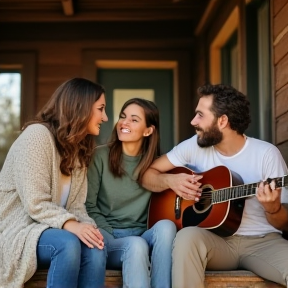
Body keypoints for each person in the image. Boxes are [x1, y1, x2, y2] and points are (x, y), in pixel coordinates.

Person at [141, 84, 288, 288]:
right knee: (186, 237)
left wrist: (274, 209)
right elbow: (147, 175)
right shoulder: (195, 145)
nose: (193, 121)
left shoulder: (266, 154)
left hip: (262, 242)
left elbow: (284, 224)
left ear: (223, 120)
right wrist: (170, 181)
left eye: (200, 115)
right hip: (216, 241)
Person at [0, 78, 108, 288]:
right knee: (67, 244)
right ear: (81, 107)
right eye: (101, 109)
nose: (105, 117)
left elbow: (76, 207)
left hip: (50, 229)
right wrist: (72, 225)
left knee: (96, 247)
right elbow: (35, 203)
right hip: (18, 231)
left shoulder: (78, 150)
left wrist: (88, 228)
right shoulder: (36, 136)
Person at [85, 98, 177, 288]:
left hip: (143, 236)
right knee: (136, 246)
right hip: (108, 237)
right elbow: (88, 206)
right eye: (123, 117)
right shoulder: (100, 156)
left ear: (148, 130)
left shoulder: (157, 165)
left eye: (134, 120)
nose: (124, 123)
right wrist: (112, 236)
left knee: (167, 227)